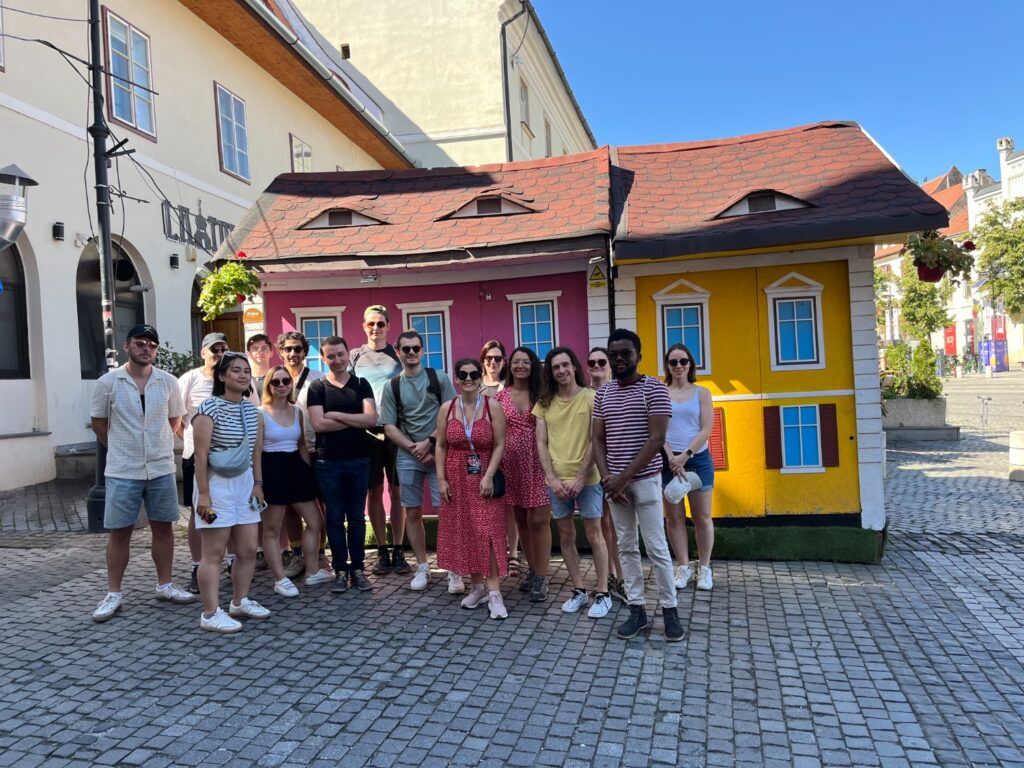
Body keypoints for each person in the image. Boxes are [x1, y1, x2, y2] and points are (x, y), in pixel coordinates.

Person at [90, 324, 194, 621]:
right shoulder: (108, 383)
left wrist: (155, 444)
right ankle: (113, 593)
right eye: (140, 342)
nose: (146, 348)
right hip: (123, 469)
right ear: (127, 346)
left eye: (151, 344)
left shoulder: (168, 382)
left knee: (163, 527)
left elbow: (175, 420)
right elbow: (99, 423)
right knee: (119, 531)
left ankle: (166, 584)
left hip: (160, 467)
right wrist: (121, 448)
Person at [593, 329, 683, 642]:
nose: (619, 359)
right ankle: (637, 611)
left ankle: (670, 610)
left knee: (657, 547)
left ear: (638, 356)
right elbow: (596, 439)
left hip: (644, 482)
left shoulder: (654, 389)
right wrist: (608, 480)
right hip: (615, 487)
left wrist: (623, 477)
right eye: (613, 354)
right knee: (627, 547)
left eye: (625, 353)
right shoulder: (603, 394)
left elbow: (656, 439)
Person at [192, 352, 269, 633]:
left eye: (246, 370)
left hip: (245, 484)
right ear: (222, 376)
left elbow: (256, 454)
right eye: (235, 370)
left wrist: (258, 485)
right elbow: (200, 456)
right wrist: (203, 494)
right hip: (215, 485)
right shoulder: (208, 408)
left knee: (248, 548)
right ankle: (210, 613)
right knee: (214, 553)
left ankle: (240, 601)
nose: (243, 375)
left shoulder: (253, 411)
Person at [534, 347, 612, 619]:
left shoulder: (592, 397)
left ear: (574, 367)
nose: (561, 371)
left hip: (588, 480)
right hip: (557, 482)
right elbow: (541, 443)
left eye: (565, 365)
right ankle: (579, 589)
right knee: (566, 537)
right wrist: (551, 478)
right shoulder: (544, 403)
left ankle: (602, 592)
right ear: (551, 372)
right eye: (556, 367)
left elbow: (595, 440)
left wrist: (581, 476)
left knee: (594, 535)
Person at [380, 330, 458, 592]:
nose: (411, 352)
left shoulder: (439, 378)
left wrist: (431, 442)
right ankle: (423, 567)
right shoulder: (392, 386)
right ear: (398, 351)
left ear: (422, 351)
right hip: (408, 455)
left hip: (440, 453)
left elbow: (452, 415)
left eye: (416, 348)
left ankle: (453, 568)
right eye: (406, 349)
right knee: (412, 512)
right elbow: (389, 426)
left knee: (446, 511)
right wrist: (414, 448)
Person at [435, 358, 509, 619]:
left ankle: (495, 592)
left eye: (474, 374)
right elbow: (441, 445)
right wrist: (441, 479)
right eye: (463, 374)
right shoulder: (448, 408)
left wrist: (489, 476)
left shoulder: (493, 407)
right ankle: (477, 587)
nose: (468, 378)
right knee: (466, 531)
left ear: (480, 378)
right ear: (456, 378)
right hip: (456, 476)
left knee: (487, 531)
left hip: (483, 476)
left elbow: (500, 443)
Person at [307, 336, 377, 592]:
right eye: (331, 356)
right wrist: (354, 418)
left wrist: (335, 415)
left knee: (357, 518)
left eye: (340, 354)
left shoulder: (361, 384)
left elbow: (371, 419)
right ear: (323, 359)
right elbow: (318, 424)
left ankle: (358, 569)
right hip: (329, 462)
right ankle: (339, 570)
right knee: (334, 519)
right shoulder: (317, 387)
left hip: (359, 459)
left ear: (349, 354)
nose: (336, 360)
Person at [259, 364, 327, 597]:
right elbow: (255, 451)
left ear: (291, 384)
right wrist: (258, 483)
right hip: (271, 469)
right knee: (271, 530)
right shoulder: (260, 412)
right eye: (275, 382)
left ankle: (313, 571)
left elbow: (301, 446)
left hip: (296, 467)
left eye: (285, 381)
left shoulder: (297, 411)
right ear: (268, 385)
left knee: (315, 521)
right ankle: (280, 579)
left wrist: (308, 473)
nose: (281, 386)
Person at [350, 305, 408, 576]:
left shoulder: (398, 353)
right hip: (368, 433)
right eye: (371, 324)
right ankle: (382, 552)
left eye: (381, 324)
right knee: (374, 491)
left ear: (388, 327)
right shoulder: (354, 356)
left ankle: (399, 550)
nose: (376, 329)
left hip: (395, 431)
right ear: (364, 326)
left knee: (397, 492)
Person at [496, 346, 552, 602]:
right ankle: (532, 568)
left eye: (526, 362)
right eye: (516, 362)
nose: (520, 366)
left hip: (538, 461)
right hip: (511, 463)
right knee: (520, 519)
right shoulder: (501, 396)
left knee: (539, 520)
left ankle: (542, 575)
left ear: (533, 365)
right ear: (509, 366)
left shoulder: (543, 394)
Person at [662, 343, 716, 591]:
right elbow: (657, 429)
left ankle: (704, 568)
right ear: (668, 366)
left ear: (691, 364)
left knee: (702, 517)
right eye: (673, 362)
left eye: (683, 361)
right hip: (668, 462)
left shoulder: (702, 393)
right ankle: (683, 567)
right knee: (674, 518)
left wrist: (686, 454)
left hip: (698, 460)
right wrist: (672, 457)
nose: (679, 366)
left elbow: (706, 429)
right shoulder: (661, 392)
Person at [178, 332, 229, 593]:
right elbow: (176, 418)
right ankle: (198, 565)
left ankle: (230, 560)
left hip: (228, 459)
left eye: (223, 349)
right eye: (214, 350)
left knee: (228, 508)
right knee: (199, 513)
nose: (218, 354)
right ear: (203, 352)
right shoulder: (189, 379)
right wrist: (191, 441)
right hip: (195, 457)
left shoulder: (229, 377)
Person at [276, 331, 327, 579]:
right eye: (288, 349)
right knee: (289, 506)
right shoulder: (275, 379)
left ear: (305, 351)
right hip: (286, 451)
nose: (293, 353)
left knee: (320, 504)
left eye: (297, 349)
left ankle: (318, 554)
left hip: (317, 448)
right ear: (281, 352)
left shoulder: (319, 379)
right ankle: (297, 554)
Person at [587, 346, 626, 602]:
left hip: (617, 467)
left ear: (610, 365)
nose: (597, 365)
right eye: (592, 362)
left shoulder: (619, 391)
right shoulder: (585, 395)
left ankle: (622, 578)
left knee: (618, 525)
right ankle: (609, 575)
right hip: (592, 469)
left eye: (602, 361)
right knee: (602, 525)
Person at [480, 339, 521, 577]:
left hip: (509, 451)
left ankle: (513, 553)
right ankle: (491, 551)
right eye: (488, 359)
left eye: (497, 358)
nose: (493, 362)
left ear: (504, 361)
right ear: (483, 361)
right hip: (484, 454)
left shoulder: (509, 387)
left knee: (510, 505)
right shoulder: (474, 386)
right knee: (487, 504)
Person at [246, 334, 274, 400]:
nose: (260, 351)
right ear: (248, 354)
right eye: (255, 348)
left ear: (271, 353)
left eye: (264, 348)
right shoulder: (243, 380)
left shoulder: (277, 380)